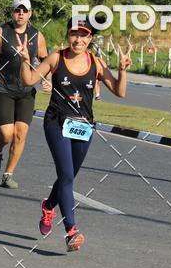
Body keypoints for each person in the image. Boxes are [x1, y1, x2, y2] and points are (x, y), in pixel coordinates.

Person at [18, 17, 132, 251]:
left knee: (67, 176)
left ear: (90, 38)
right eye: (73, 34)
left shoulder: (96, 63)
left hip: (83, 126)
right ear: (67, 35)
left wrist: (122, 71)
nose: (78, 39)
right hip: (56, 123)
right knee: (67, 175)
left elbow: (120, 92)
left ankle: (48, 206)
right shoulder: (56, 58)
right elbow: (28, 80)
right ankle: (71, 231)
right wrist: (25, 61)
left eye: (83, 35)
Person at [0, 0, 49, 189]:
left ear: (30, 14)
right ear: (12, 12)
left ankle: (8, 175)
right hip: (3, 88)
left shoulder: (36, 36)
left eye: (25, 11)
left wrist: (46, 78)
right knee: (7, 134)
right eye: (18, 10)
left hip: (26, 90)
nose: (21, 14)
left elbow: (46, 60)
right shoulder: (2, 32)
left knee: (20, 133)